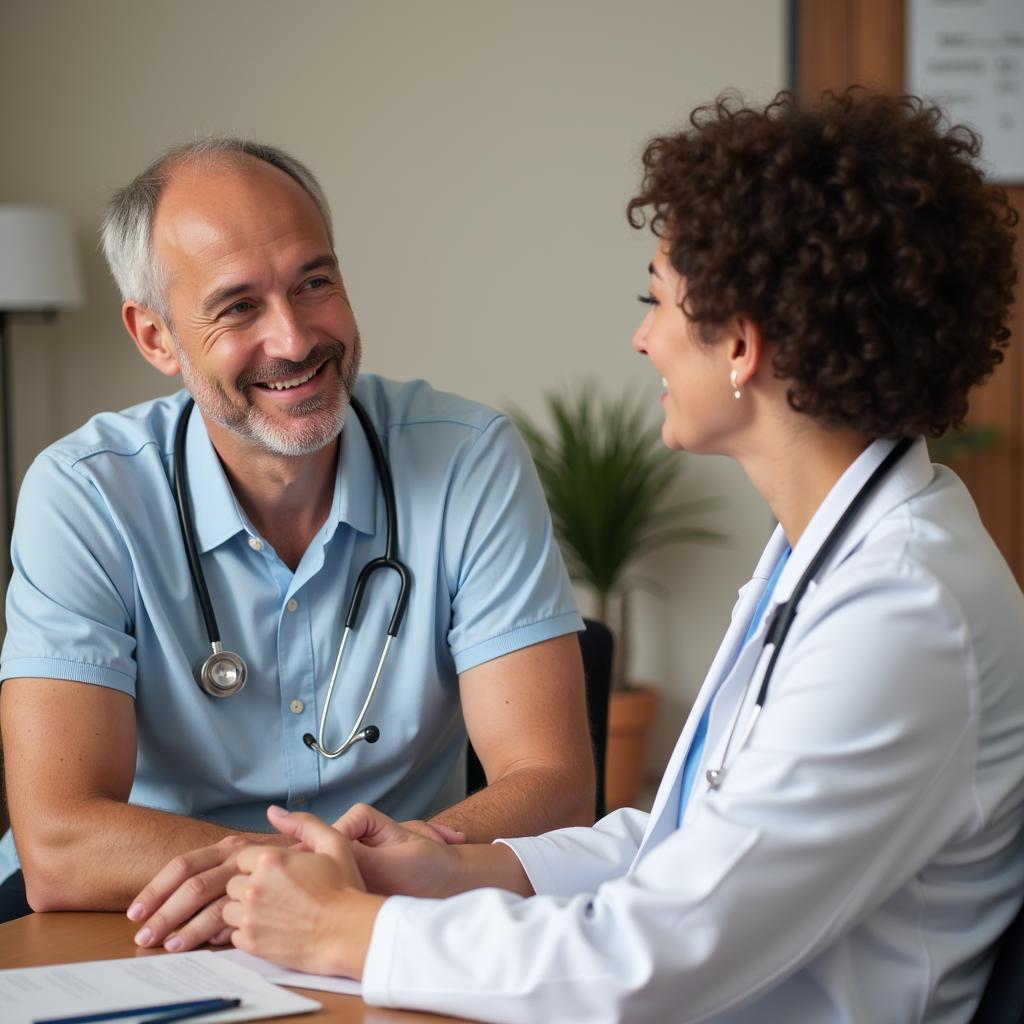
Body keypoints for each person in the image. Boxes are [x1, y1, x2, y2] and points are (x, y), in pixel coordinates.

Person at [216, 91, 1024, 1023]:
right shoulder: (843, 555)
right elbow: (697, 842)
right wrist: (454, 867)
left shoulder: (902, 613)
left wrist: (344, 933)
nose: (642, 336)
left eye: (658, 299)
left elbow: (651, 959)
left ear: (742, 345)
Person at [0, 138, 597, 930]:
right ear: (155, 337)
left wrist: (341, 890)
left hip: (388, 910)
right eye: (239, 305)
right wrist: (298, 880)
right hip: (140, 912)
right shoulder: (85, 494)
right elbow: (61, 841)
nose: (294, 338)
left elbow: (555, 785)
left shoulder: (465, 458)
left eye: (314, 282)